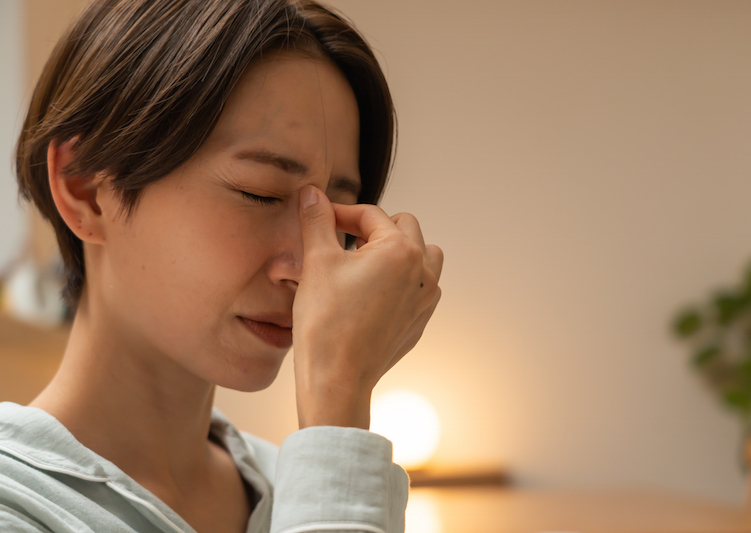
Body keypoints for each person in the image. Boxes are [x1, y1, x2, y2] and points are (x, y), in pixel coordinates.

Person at [0, 1, 443, 532]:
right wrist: (337, 399)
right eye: (259, 194)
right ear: (87, 189)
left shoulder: (302, 482)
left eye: (335, 217)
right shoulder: (19, 504)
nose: (309, 268)